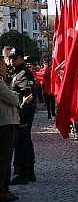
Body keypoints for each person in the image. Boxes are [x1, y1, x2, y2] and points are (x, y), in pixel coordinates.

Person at [9, 49, 36, 185]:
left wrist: (21, 113)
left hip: (23, 112)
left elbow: (28, 95)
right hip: (21, 111)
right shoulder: (17, 72)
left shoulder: (23, 73)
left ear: (20, 58)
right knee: (25, 141)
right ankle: (29, 171)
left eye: (14, 58)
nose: (11, 60)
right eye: (11, 57)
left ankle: (23, 173)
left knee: (22, 142)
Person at [0, 58, 20, 202]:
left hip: (7, 122)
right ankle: (2, 190)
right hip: (5, 124)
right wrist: (15, 95)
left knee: (6, 159)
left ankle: (5, 189)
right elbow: (14, 100)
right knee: (4, 159)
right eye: (2, 65)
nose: (5, 67)